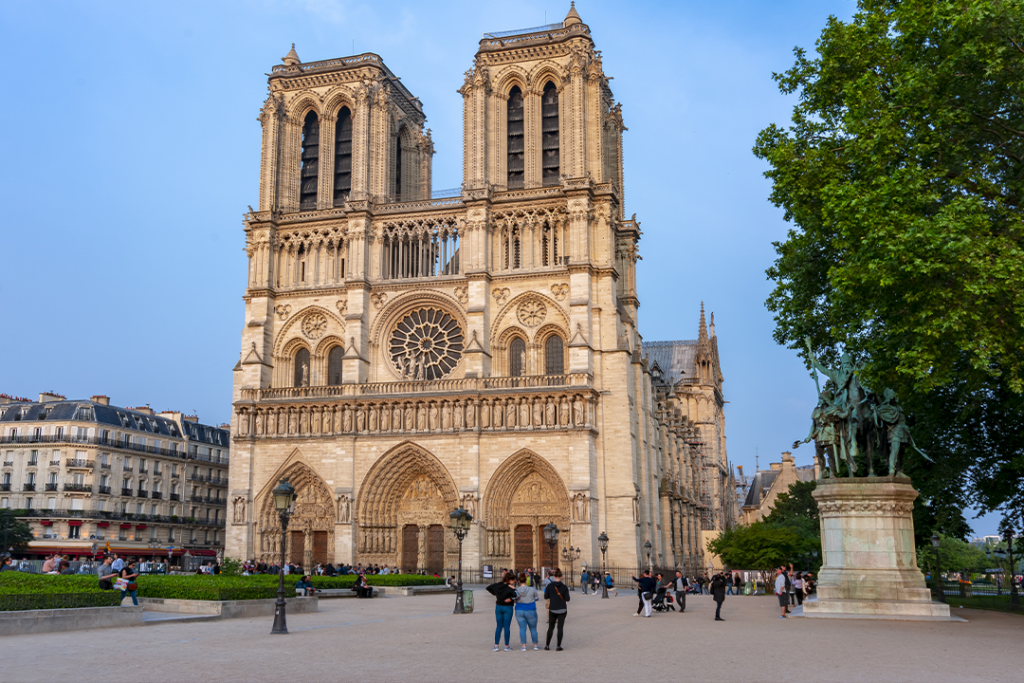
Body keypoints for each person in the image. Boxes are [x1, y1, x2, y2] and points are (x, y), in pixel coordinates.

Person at [486, 571, 518, 652]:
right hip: (508, 607)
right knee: (507, 627)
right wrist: (511, 598)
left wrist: (495, 593)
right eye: (514, 580)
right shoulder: (511, 588)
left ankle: (496, 645)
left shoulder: (498, 585)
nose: (514, 582)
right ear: (510, 580)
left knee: (499, 626)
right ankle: (506, 646)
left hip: (499, 606)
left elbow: (488, 587)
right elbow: (516, 596)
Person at [543, 568, 570, 650]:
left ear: (554, 577)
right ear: (561, 577)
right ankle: (558, 646)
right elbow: (567, 599)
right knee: (560, 627)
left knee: (551, 627)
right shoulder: (564, 587)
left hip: (553, 608)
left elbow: (545, 596)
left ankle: (547, 645)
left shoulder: (550, 586)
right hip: (562, 609)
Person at [515, 572, 541, 651]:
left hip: (519, 609)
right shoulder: (532, 589)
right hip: (530, 609)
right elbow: (536, 598)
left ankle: (524, 646)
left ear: (519, 581)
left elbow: (514, 599)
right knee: (533, 628)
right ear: (526, 581)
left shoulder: (516, 590)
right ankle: (535, 645)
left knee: (522, 628)